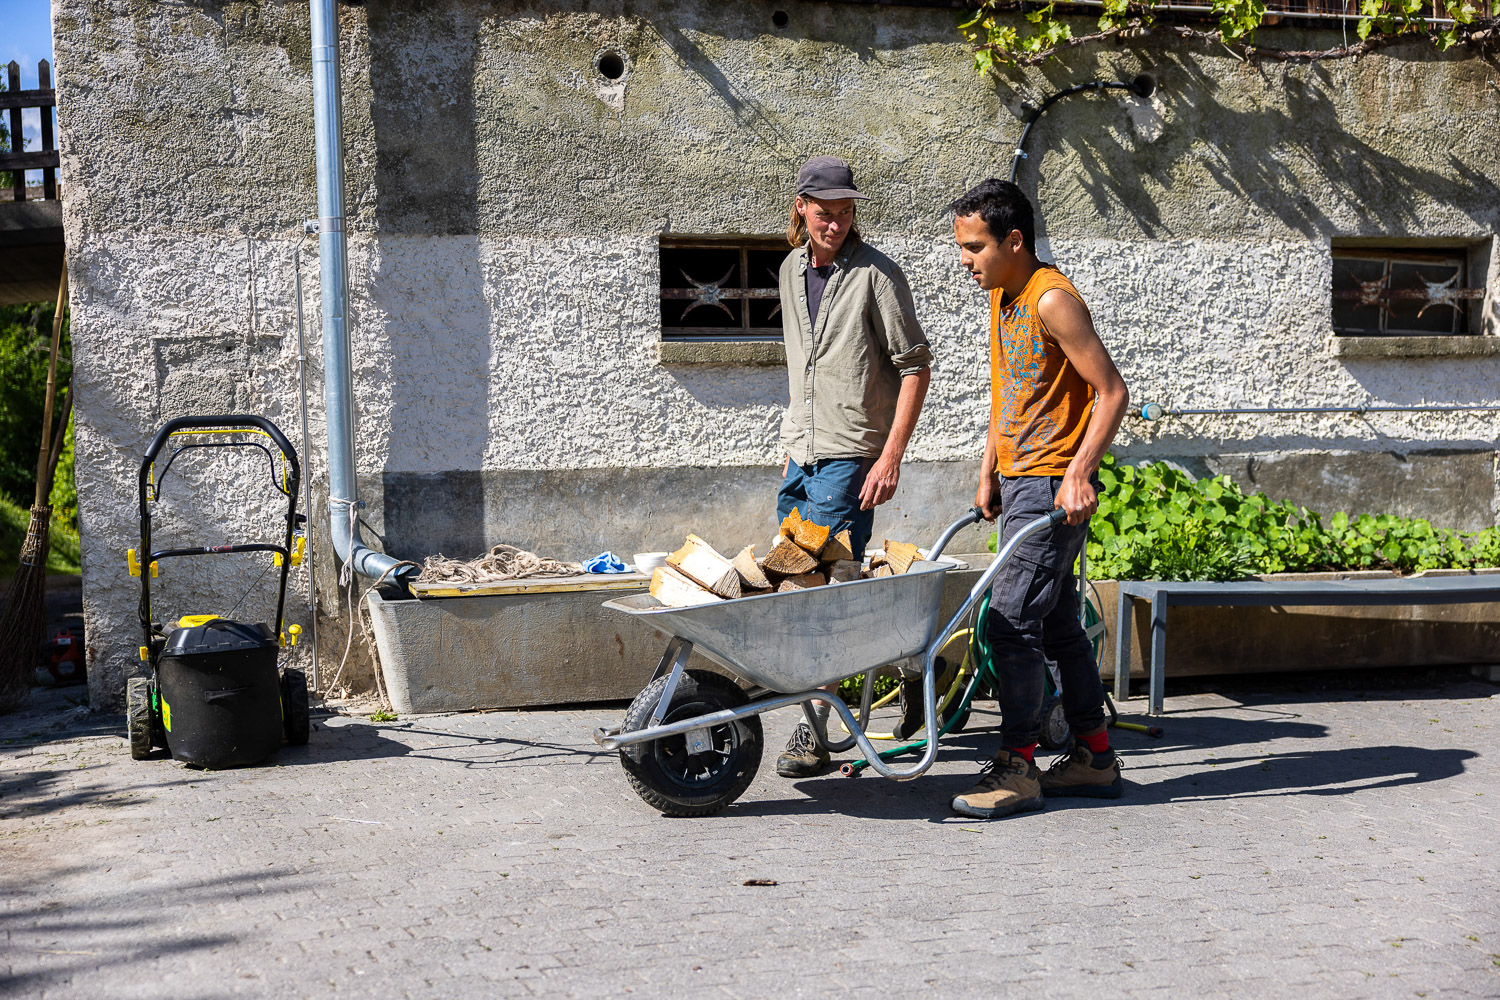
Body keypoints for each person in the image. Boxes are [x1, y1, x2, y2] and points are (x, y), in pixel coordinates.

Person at [945, 178, 1130, 819]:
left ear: (1014, 241)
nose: (965, 261)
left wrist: (1080, 474)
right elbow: (1009, 392)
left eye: (975, 247)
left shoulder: (1052, 300)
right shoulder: (1004, 295)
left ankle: (1018, 765)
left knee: (1009, 621)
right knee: (1056, 624)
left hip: (1053, 486)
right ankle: (1095, 758)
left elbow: (1112, 391)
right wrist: (989, 470)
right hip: (1021, 478)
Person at [773, 155, 933, 779]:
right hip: (801, 452)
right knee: (799, 584)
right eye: (824, 213)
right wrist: (792, 445)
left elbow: (914, 367)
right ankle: (913, 663)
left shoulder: (877, 276)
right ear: (802, 207)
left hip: (851, 456)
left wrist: (890, 456)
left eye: (845, 213)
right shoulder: (789, 270)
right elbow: (806, 368)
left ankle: (814, 731)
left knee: (823, 589)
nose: (835, 224)